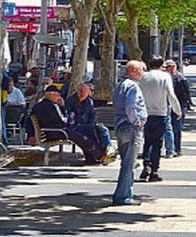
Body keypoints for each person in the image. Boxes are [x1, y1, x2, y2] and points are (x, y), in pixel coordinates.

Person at [138, 58, 180, 182]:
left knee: (147, 141)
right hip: (160, 113)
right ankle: (154, 170)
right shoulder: (165, 77)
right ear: (161, 65)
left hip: (145, 113)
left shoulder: (143, 76)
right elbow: (171, 95)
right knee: (157, 143)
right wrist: (177, 110)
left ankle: (146, 165)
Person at [112, 61, 147, 204]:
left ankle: (124, 193)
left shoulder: (120, 85)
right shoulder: (133, 86)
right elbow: (130, 106)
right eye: (142, 70)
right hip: (130, 127)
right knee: (129, 164)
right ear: (133, 71)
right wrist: (137, 121)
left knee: (126, 162)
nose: (143, 73)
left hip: (121, 126)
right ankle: (123, 196)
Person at [67, 82, 112, 163]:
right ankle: (102, 154)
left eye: (84, 92)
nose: (82, 94)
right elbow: (70, 117)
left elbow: (92, 115)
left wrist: (93, 124)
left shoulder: (89, 101)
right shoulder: (71, 101)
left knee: (102, 129)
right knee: (92, 132)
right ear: (78, 91)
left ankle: (106, 150)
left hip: (87, 125)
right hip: (75, 126)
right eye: (81, 91)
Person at [166, 60, 192, 156]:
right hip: (167, 105)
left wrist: (184, 105)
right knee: (168, 128)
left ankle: (177, 149)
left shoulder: (181, 78)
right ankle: (170, 148)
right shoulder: (165, 78)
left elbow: (186, 93)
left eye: (169, 67)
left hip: (179, 105)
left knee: (176, 128)